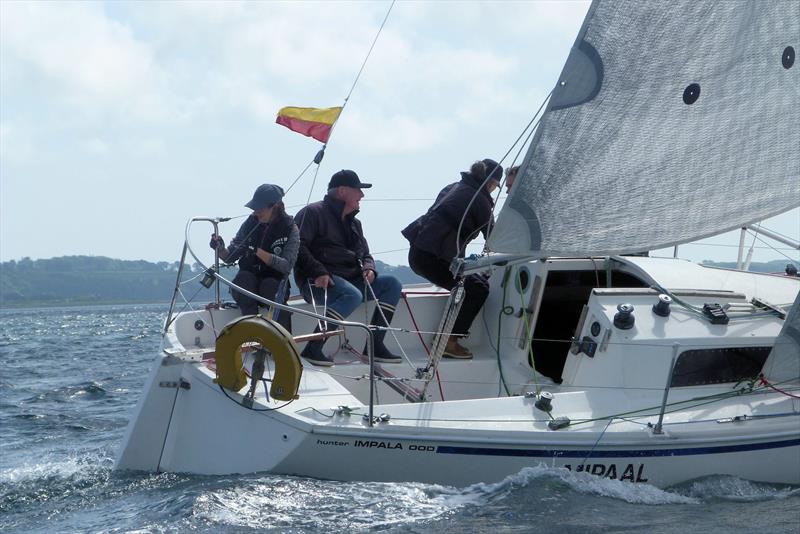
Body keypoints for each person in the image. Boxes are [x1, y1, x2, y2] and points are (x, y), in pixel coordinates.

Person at [293, 169, 403, 366]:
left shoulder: (355, 223)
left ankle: (374, 347)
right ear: (343, 191)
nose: (362, 195)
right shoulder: (312, 213)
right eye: (358, 190)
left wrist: (369, 268)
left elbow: (365, 254)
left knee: (392, 284)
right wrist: (318, 272)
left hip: (351, 281)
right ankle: (313, 348)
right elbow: (297, 247)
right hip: (318, 282)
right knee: (352, 294)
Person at [401, 159, 502, 359]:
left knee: (474, 282)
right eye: (496, 185)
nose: (494, 189)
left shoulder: (454, 187)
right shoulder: (480, 200)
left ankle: (445, 338)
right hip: (433, 258)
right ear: (490, 182)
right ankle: (448, 341)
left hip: (418, 254)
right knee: (477, 289)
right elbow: (496, 238)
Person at [210, 183, 298, 332]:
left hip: (273, 284)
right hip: (249, 283)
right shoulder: (250, 223)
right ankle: (252, 336)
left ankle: (283, 342)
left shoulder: (291, 228)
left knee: (270, 286)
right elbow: (229, 257)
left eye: (260, 209)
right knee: (244, 280)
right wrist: (220, 248)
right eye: (254, 209)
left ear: (275, 206)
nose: (256, 212)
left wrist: (257, 251)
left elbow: (286, 266)